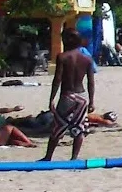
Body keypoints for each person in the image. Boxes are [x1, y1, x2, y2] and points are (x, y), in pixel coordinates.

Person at [41, 29, 96, 161]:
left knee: (58, 126)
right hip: (82, 97)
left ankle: (48, 157)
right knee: (79, 127)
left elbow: (57, 79)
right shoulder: (87, 59)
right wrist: (92, 101)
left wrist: (52, 99)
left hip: (67, 95)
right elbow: (91, 82)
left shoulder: (63, 57)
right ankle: (74, 158)